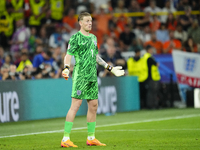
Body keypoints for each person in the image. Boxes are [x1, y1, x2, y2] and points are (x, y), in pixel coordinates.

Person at [61, 12, 125, 147]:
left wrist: (110, 68)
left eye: (91, 21)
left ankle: (91, 137)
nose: (90, 23)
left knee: (94, 106)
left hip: (92, 76)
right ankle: (65, 139)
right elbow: (68, 55)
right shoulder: (75, 38)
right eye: (87, 21)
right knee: (75, 106)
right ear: (80, 23)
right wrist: (66, 67)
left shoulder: (94, 38)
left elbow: (96, 57)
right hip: (80, 76)